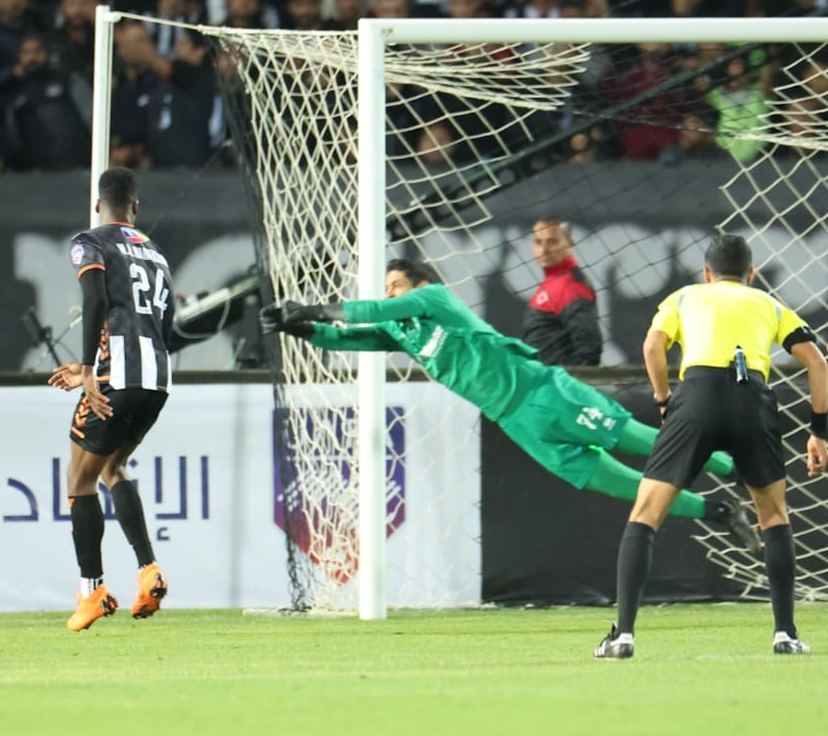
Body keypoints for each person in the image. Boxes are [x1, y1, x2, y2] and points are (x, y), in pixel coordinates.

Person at [261, 257, 760, 552]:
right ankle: (717, 512)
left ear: (418, 284)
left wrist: (315, 304)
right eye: (387, 287)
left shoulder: (435, 300)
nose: (390, 294)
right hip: (516, 420)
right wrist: (304, 328)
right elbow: (356, 337)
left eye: (396, 285)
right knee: (616, 483)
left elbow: (374, 311)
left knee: (641, 443)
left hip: (543, 391)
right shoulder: (404, 332)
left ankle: (730, 464)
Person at [593, 234, 827, 659]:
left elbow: (652, 346)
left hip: (695, 396)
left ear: (706, 273)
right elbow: (817, 361)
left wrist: (665, 400)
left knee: (646, 513)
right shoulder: (768, 304)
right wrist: (820, 431)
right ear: (751, 275)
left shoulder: (684, 296)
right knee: (773, 516)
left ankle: (623, 636)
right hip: (752, 399)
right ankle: (785, 635)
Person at [46, 167, 173, 632]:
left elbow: (95, 298)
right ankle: (148, 569)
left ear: (99, 204)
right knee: (113, 468)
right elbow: (169, 326)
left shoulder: (89, 241)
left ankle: (91, 591)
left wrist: (85, 368)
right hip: (156, 380)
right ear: (135, 207)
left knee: (79, 480)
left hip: (114, 376)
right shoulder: (156, 253)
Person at [522, 217, 602, 366]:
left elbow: (589, 348)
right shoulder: (553, 283)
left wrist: (569, 386)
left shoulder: (571, 287)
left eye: (552, 242)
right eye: (538, 242)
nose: (544, 250)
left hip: (556, 384)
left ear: (570, 242)